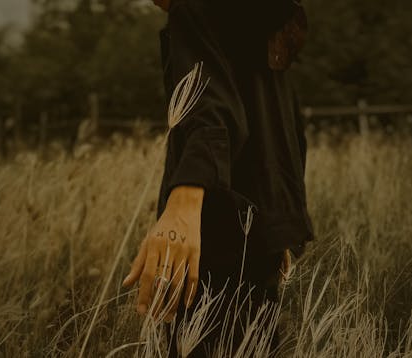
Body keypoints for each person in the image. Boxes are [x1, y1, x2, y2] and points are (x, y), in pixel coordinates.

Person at [122, 0, 314, 355]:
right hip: (261, 228)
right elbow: (285, 125)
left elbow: (210, 113)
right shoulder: (254, 14)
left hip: (212, 231)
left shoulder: (194, 7)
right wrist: (278, 220)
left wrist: (182, 206)